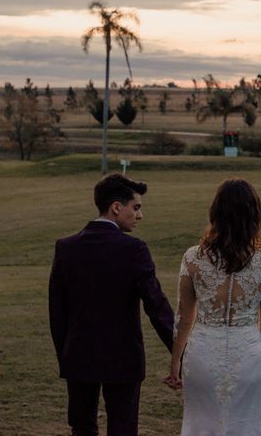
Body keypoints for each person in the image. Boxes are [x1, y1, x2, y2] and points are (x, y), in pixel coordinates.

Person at [49, 173, 174, 436]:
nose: (140, 216)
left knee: (82, 429)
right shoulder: (134, 249)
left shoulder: (66, 247)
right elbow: (156, 306)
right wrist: (180, 351)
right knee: (123, 430)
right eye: (136, 207)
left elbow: (57, 312)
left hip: (79, 357)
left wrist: (67, 355)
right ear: (117, 207)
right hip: (124, 358)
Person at [163, 178, 261, 435]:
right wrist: (260, 357)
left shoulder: (193, 257)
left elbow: (184, 317)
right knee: (245, 427)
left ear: (215, 213)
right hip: (248, 354)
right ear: (255, 216)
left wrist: (175, 361)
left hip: (203, 353)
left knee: (200, 426)